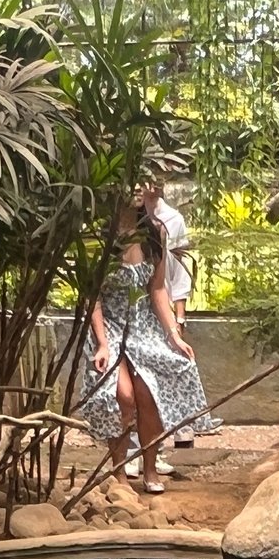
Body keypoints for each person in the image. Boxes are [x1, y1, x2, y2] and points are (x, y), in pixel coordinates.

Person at [80, 198, 217, 495]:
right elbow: (93, 296)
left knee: (149, 393)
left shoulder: (155, 232)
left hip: (144, 327)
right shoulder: (99, 235)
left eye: (145, 181)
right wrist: (101, 343)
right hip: (110, 328)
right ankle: (118, 471)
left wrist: (174, 334)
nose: (140, 188)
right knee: (123, 396)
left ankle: (150, 468)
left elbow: (157, 289)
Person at [138, 178, 198, 462]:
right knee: (138, 387)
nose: (156, 181)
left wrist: (179, 318)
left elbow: (178, 273)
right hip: (135, 312)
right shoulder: (124, 226)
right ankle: (134, 453)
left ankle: (166, 442)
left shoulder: (173, 220)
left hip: (164, 310)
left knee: (167, 375)